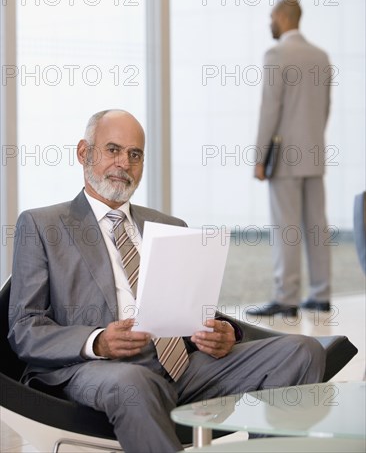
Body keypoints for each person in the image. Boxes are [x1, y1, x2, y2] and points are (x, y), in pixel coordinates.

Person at [9, 109, 326, 453]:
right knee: (133, 381)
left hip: (181, 366)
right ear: (84, 153)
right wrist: (97, 341)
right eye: (112, 150)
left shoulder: (168, 225)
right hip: (94, 368)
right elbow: (25, 328)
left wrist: (223, 333)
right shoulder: (42, 225)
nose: (124, 163)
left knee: (302, 350)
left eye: (135, 154)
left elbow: (191, 305)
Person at [250, 0, 332, 317]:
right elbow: (325, 108)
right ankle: (321, 294)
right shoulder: (321, 56)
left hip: (285, 157)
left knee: (286, 227)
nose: (270, 22)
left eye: (271, 17)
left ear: (284, 17)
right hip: (314, 152)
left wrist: (259, 156)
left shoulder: (277, 54)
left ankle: (287, 298)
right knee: (316, 225)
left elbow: (270, 109)